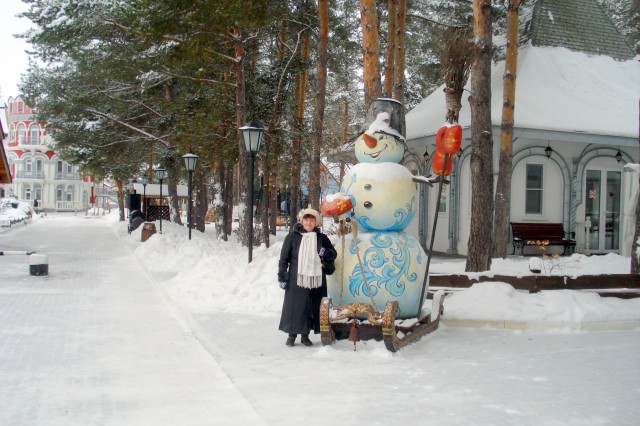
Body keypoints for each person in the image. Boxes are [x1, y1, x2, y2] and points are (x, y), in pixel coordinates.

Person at [278, 208, 337, 347]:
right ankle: (291, 336)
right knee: (295, 307)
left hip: (316, 279)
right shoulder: (292, 237)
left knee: (311, 307)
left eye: (311, 220)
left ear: (316, 222)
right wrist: (282, 276)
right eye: (306, 220)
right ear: (301, 221)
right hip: (296, 279)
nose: (308, 223)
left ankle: (305, 336)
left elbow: (333, 254)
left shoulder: (321, 238)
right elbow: (283, 258)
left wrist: (325, 252)